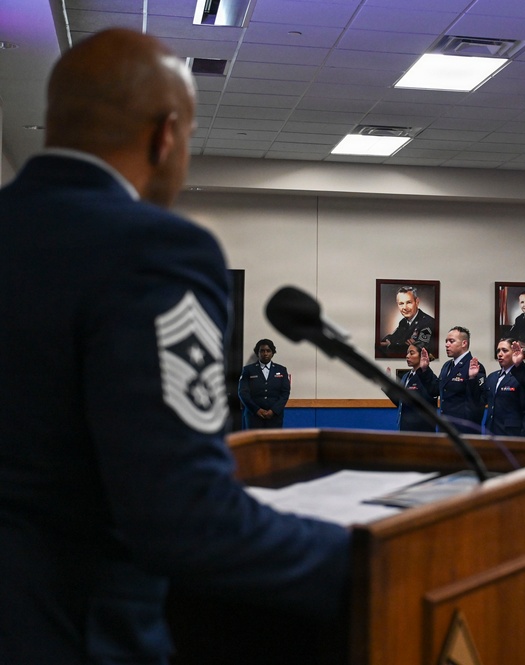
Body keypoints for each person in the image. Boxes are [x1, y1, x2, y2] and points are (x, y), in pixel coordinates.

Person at [0, 29, 350, 664]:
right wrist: (372, 557)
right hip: (70, 634)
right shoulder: (153, 250)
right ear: (166, 136)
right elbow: (187, 521)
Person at [481, 338, 525, 436]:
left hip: (512, 434)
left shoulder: (522, 376)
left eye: (505, 350)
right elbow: (481, 400)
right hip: (491, 432)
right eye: (498, 351)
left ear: (514, 352)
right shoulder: (492, 377)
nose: (500, 354)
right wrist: (472, 379)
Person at [438, 326, 485, 434]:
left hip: (464, 430)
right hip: (445, 427)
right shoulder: (447, 366)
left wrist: (472, 378)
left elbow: (478, 401)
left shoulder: (475, 367)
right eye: (446, 341)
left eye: (451, 341)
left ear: (464, 343)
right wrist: (425, 370)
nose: (446, 344)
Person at [383, 343, 439, 432]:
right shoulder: (406, 376)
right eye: (407, 353)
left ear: (422, 355)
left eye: (411, 353)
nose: (407, 356)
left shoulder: (428, 378)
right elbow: (401, 402)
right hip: (405, 428)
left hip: (421, 431)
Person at [237, 338, 292, 429]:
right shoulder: (248, 370)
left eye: (268, 351)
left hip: (275, 417)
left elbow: (285, 393)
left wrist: (273, 411)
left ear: (273, 353)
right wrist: (256, 410)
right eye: (262, 351)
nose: (265, 354)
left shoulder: (281, 370)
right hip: (253, 416)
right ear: (257, 353)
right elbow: (243, 393)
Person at [378, 285, 436, 357]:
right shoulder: (403, 322)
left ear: (417, 302)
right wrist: (391, 342)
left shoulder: (428, 322)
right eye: (401, 303)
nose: (405, 307)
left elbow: (418, 351)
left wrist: (391, 345)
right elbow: (392, 337)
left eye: (408, 302)